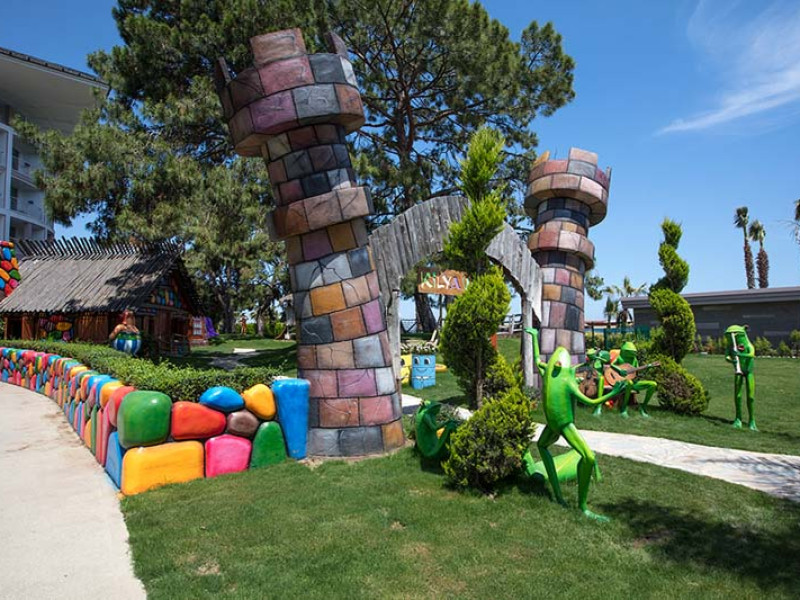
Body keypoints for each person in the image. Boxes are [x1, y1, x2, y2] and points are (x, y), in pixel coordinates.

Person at [611, 341, 657, 418]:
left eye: (633, 352)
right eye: (630, 352)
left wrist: (646, 367)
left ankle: (643, 407)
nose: (633, 353)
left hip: (633, 382)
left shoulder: (634, 360)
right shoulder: (620, 358)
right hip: (621, 383)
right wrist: (619, 370)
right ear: (624, 351)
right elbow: (611, 365)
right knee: (629, 383)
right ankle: (623, 408)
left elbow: (637, 370)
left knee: (653, 384)